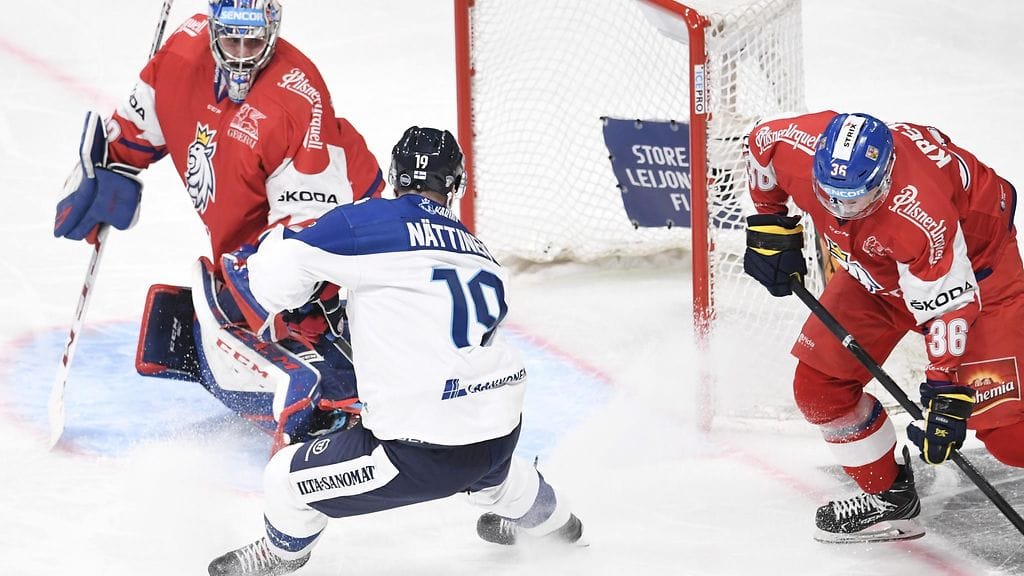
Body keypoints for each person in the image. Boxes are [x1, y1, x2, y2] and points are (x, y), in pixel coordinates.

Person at [205, 126, 584, 576]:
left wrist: (311, 288)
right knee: (493, 475)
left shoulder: (367, 222)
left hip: (420, 453)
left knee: (284, 480)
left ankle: (283, 555)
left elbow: (274, 281)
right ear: (456, 184)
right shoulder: (481, 253)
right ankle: (559, 524)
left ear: (395, 176)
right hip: (500, 434)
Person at [53, 1, 385, 448]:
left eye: (256, 40)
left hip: (340, 213)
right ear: (211, 29)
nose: (244, 53)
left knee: (263, 292)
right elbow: (139, 123)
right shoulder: (179, 57)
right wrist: (110, 164)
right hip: (250, 227)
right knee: (228, 306)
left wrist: (256, 284)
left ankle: (324, 333)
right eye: (233, 38)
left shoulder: (296, 95)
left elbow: (310, 234)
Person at [743, 110, 1024, 543]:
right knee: (819, 386)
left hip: (979, 277)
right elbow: (761, 145)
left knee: (1009, 437)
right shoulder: (793, 143)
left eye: (856, 198)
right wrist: (769, 220)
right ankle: (890, 502)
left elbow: (947, 308)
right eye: (832, 197)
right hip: (877, 273)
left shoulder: (918, 214)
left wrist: (942, 390)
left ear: (887, 175)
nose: (842, 211)